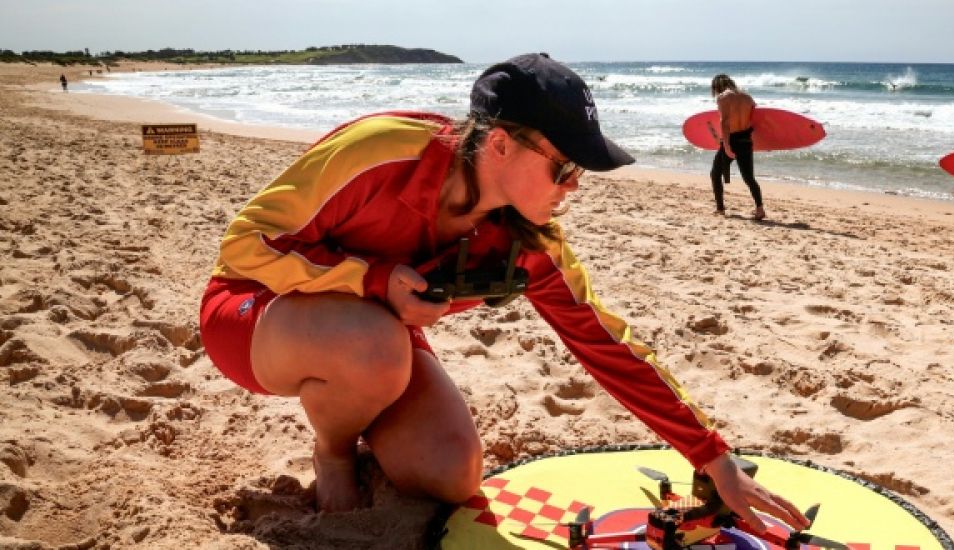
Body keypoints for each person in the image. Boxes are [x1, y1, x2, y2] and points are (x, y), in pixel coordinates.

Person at [197, 53, 808, 533]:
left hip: (376, 341)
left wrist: (712, 457)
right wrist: (372, 280)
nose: (573, 187)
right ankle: (333, 450)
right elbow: (245, 245)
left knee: (452, 473)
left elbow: (604, 341)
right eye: (564, 168)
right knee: (375, 344)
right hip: (254, 315)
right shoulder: (380, 150)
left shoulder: (529, 238)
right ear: (499, 145)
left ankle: (358, 406)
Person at [709, 74, 766, 221]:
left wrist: (726, 146)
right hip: (746, 140)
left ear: (717, 86)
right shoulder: (748, 97)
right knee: (749, 178)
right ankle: (760, 209)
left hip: (731, 140)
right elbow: (755, 118)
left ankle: (720, 208)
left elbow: (725, 122)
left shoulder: (723, 97)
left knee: (715, 173)